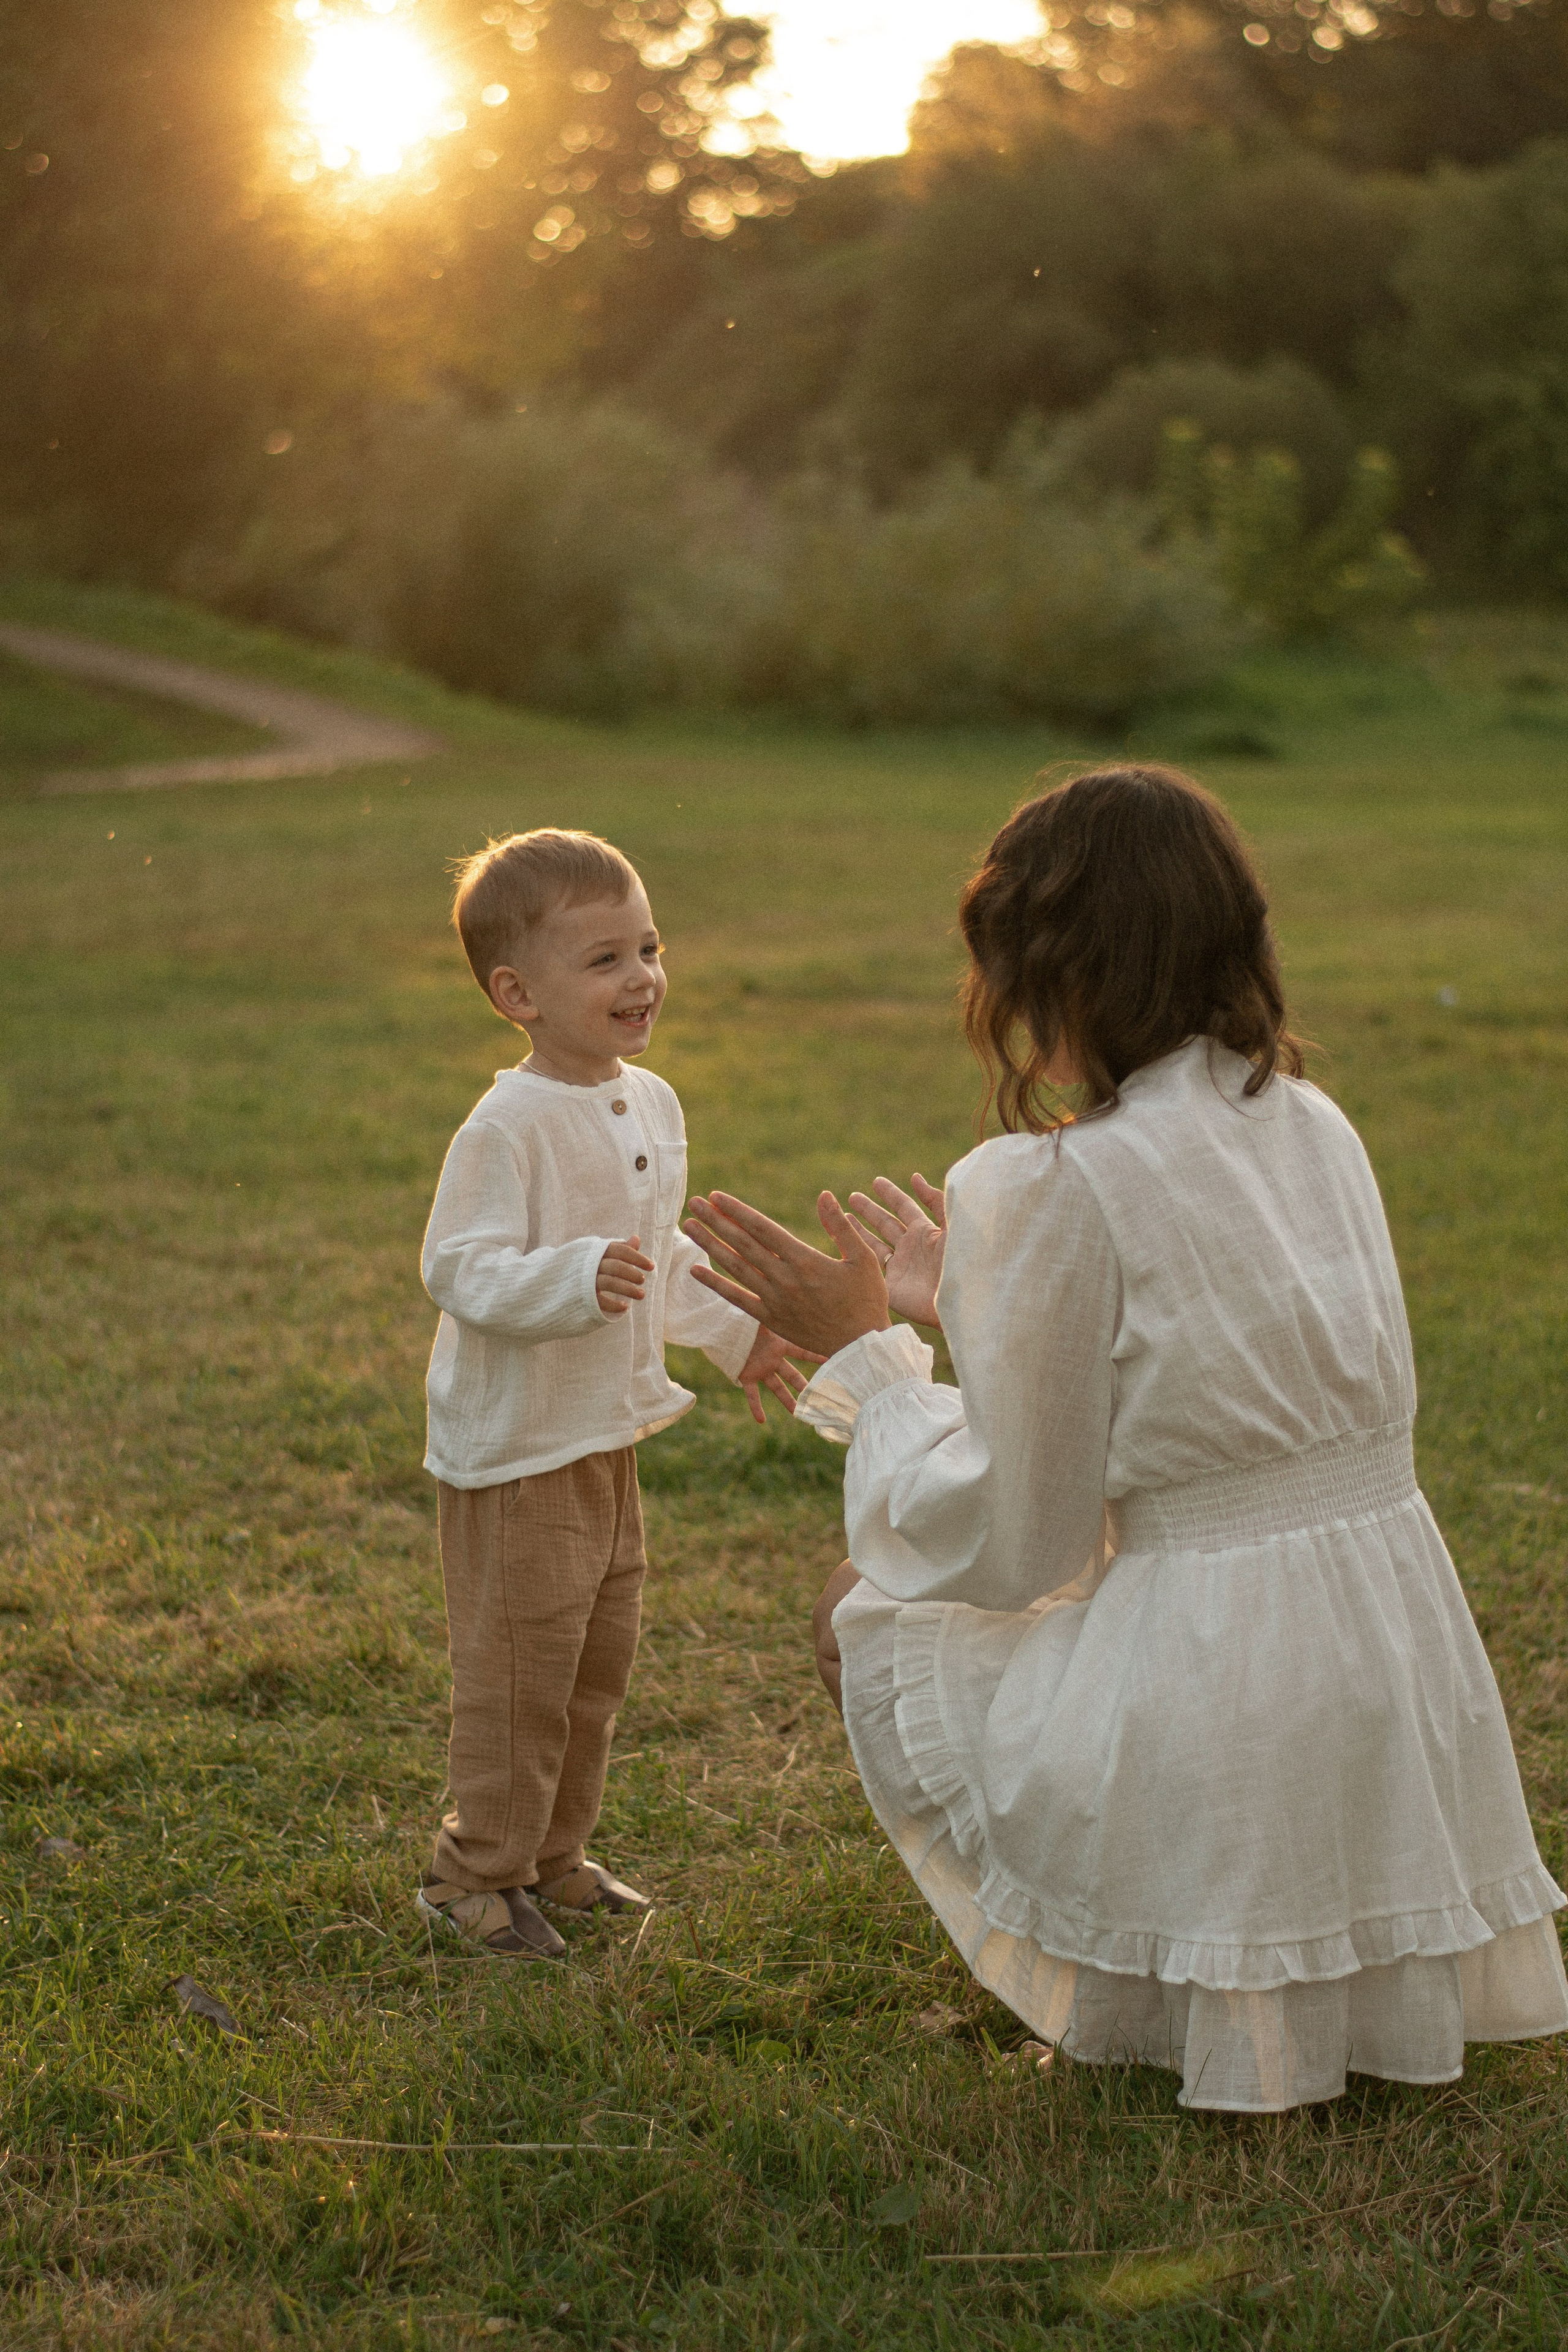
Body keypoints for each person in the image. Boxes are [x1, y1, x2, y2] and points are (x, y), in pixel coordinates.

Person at [683, 766, 1568, 2111]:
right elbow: (1199, 1377)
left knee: (866, 1605)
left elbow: (1013, 1534)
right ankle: (1277, 1990)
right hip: (1385, 1636)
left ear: (1055, 973)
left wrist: (866, 1349)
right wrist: (969, 1297)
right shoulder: (1307, 1120)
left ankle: (1124, 1990)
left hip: (1225, 1660)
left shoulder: (1051, 1184)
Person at [417, 828, 809, 1961]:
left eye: (648, 947)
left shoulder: (653, 1101)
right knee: (517, 1679)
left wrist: (741, 1340)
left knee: (594, 1671)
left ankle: (554, 1858)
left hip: (604, 1439)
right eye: (604, 962)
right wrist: (570, 1279)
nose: (641, 978)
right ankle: (470, 1878)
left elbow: (661, 1257)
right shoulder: (507, 1125)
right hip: (520, 1455)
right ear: (517, 995)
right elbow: (459, 1266)